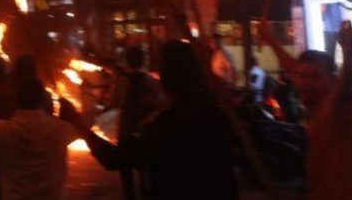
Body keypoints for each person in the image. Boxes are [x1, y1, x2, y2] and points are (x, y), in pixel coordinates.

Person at [66, 40, 238, 200]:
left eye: (162, 70)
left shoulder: (169, 123)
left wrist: (78, 124)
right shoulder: (218, 113)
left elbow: (117, 158)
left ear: (170, 77)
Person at [260, 18, 352, 200]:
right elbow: (292, 68)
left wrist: (348, 53)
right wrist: (270, 39)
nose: (306, 82)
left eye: (316, 77)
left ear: (332, 79)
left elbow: (346, 82)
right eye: (302, 77)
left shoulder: (336, 103)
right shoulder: (315, 100)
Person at [0, 55, 78, 200]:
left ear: (16, 98)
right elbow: (86, 124)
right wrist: (76, 108)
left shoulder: (5, 132)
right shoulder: (61, 131)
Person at [107, 45, 162, 200]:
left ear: (128, 60)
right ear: (142, 60)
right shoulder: (151, 81)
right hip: (144, 132)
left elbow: (115, 102)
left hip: (126, 132)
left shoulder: (122, 81)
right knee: (144, 172)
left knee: (126, 175)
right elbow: (159, 103)